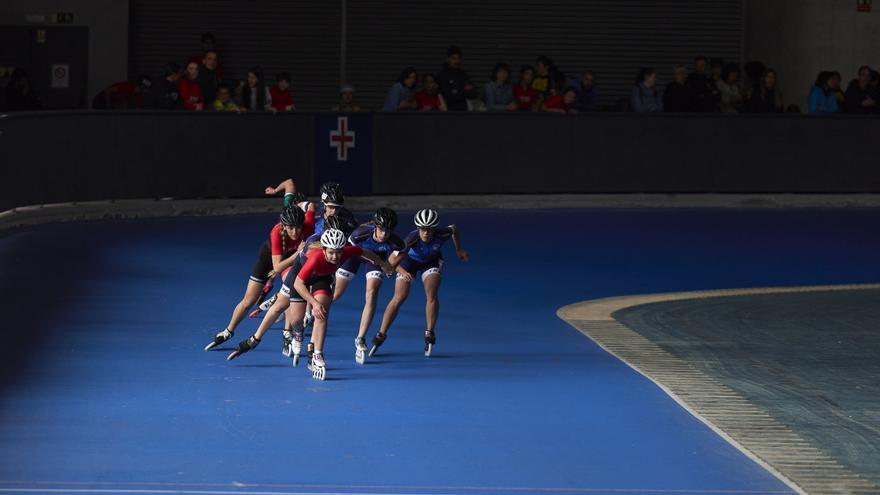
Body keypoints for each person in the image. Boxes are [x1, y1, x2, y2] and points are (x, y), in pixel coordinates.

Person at [227, 229, 392, 380]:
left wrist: (383, 264)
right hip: (299, 278)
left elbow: (365, 252)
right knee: (296, 319)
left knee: (322, 313)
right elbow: (299, 284)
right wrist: (313, 302)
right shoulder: (315, 257)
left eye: (338, 253)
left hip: (323, 278)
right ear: (324, 249)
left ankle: (318, 354)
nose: (335, 257)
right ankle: (298, 333)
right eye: (332, 253)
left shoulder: (346, 251)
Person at [204, 204, 317, 352]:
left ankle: (287, 332)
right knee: (248, 301)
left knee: (290, 290)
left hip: (290, 261)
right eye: (290, 228)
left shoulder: (308, 225)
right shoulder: (276, 232)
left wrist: (301, 204)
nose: (295, 232)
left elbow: (311, 206)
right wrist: (298, 254)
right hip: (269, 261)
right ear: (284, 226)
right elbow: (276, 268)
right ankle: (228, 331)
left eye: (297, 227)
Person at [368, 209, 469, 358]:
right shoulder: (410, 240)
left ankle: (429, 332)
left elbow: (454, 229)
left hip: (431, 261)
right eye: (422, 229)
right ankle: (381, 333)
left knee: (431, 293)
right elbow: (389, 262)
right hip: (409, 263)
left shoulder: (443, 233)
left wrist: (459, 249)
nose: (426, 233)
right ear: (418, 228)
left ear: (435, 229)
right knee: (399, 297)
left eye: (429, 230)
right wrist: (402, 272)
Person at [330, 209, 406, 364]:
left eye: (388, 231)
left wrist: (391, 265)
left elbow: (402, 251)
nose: (384, 234)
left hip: (376, 262)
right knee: (336, 294)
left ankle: (360, 338)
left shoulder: (396, 241)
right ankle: (310, 308)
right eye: (381, 230)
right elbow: (349, 250)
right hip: (354, 256)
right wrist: (382, 263)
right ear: (375, 226)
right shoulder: (359, 234)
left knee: (372, 294)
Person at [436, 46, 478, 111]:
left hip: (465, 112)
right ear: (447, 59)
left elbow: (474, 93)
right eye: (453, 58)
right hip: (449, 114)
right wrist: (464, 91)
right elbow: (448, 97)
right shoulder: (442, 76)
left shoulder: (463, 74)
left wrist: (457, 92)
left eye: (458, 58)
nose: (456, 61)